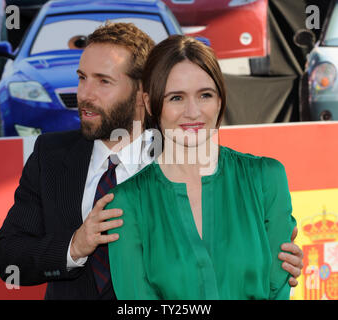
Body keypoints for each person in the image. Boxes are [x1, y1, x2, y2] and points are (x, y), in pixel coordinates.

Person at [0, 23, 302, 300]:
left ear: (144, 91)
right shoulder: (51, 157)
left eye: (103, 81)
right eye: (82, 78)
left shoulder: (189, 151)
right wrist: (75, 246)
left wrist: (266, 257)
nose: (84, 94)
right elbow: (9, 259)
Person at [106, 34, 298, 300]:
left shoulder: (267, 179)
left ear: (220, 100)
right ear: (150, 104)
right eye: (176, 98)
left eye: (205, 95)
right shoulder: (125, 203)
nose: (193, 112)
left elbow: (279, 286)